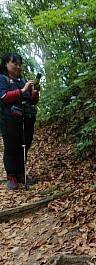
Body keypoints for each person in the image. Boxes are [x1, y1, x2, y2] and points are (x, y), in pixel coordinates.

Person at [0, 52, 40, 190]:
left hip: (26, 117)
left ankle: (21, 173)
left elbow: (32, 101)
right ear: (6, 64)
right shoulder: (2, 79)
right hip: (9, 117)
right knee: (11, 145)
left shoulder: (23, 81)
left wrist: (34, 92)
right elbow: (4, 97)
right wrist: (22, 91)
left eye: (19, 64)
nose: (18, 67)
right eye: (14, 63)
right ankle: (11, 175)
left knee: (25, 144)